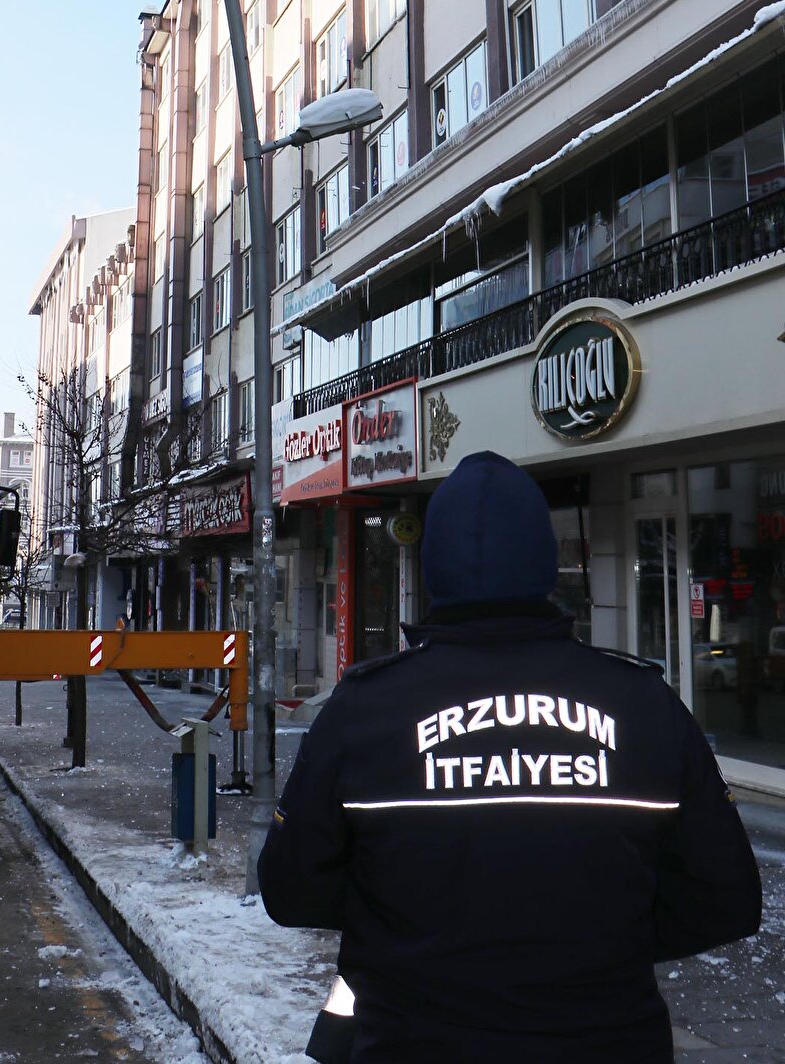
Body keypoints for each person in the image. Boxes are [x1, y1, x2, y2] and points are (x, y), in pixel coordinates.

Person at [258, 451, 762, 1064]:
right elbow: (725, 899)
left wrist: (406, 933)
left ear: (434, 564)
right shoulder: (643, 704)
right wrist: (599, 944)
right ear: (543, 566)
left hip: (412, 1040)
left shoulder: (364, 709)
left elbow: (291, 891)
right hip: (605, 1040)